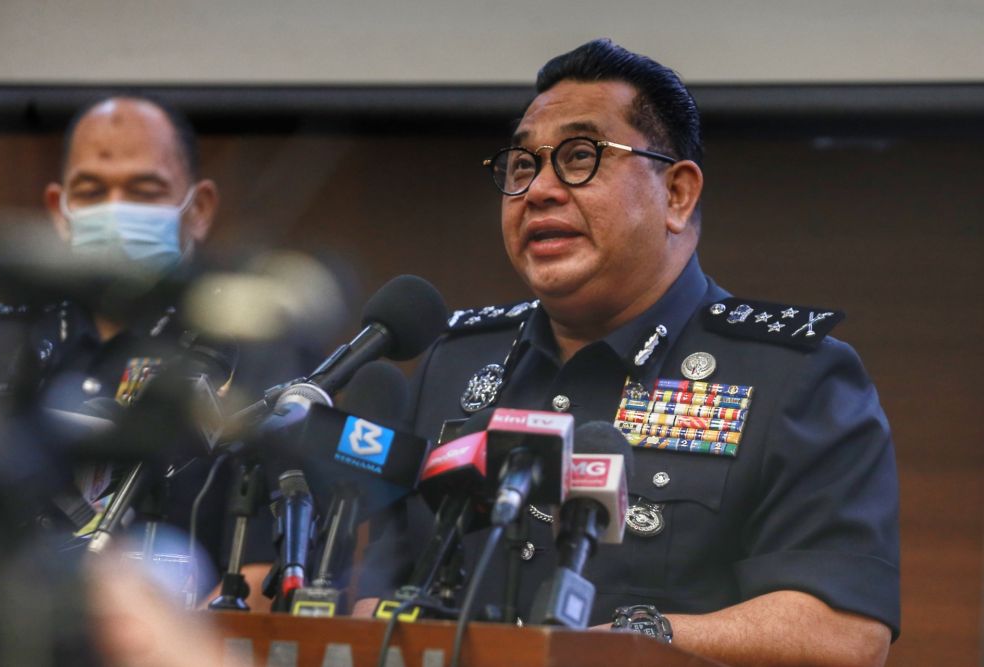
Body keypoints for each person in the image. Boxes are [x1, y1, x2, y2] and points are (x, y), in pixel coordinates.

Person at [357, 39, 899, 667]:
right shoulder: (452, 363)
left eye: (581, 157)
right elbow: (380, 595)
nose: (540, 190)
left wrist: (636, 639)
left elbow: (844, 633)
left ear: (677, 195)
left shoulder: (793, 376)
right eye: (522, 165)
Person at [0, 95, 280, 609]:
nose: (116, 210)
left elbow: (264, 567)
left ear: (200, 208)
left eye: (144, 191)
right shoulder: (1, 344)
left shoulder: (249, 352)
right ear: (60, 210)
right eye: (93, 190)